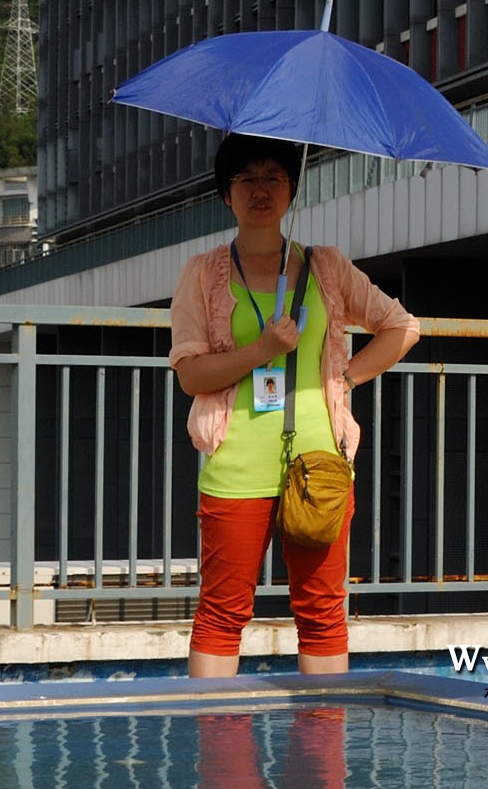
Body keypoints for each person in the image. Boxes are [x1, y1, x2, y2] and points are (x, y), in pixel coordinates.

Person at [171, 133, 421, 675]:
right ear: (226, 193)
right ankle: (218, 732)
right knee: (222, 613)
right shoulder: (203, 273)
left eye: (274, 178)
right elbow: (190, 374)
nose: (261, 190)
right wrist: (261, 350)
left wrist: (345, 378)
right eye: (247, 178)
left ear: (291, 190)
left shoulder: (325, 267)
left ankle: (321, 734)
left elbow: (402, 327)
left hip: (319, 463)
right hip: (236, 464)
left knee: (323, 611)